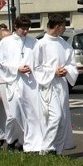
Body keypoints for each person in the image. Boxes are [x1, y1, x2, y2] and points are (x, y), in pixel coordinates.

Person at [32, 13, 77, 155]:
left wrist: (67, 70)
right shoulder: (40, 44)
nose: (65, 29)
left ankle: (57, 150)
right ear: (57, 27)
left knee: (63, 119)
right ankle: (46, 149)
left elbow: (72, 63)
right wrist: (53, 72)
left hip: (62, 85)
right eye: (63, 26)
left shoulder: (64, 44)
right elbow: (36, 67)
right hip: (48, 85)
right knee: (55, 116)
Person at [0, 14, 40, 152]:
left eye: (27, 28)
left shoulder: (34, 42)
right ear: (15, 27)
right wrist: (16, 68)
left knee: (30, 114)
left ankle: (26, 142)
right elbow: (1, 63)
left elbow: (39, 59)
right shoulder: (6, 42)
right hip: (13, 81)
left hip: (30, 82)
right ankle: (11, 139)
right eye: (23, 28)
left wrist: (31, 68)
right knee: (14, 115)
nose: (25, 31)